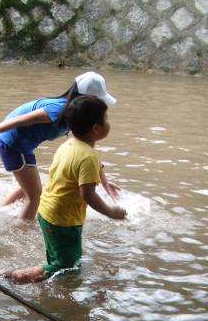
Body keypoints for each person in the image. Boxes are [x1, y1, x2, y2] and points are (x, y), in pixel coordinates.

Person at [0, 71, 121, 220]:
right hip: (14, 144)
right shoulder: (58, 110)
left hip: (22, 144)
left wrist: (104, 182)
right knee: (35, 196)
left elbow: (84, 150)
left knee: (31, 186)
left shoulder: (76, 115)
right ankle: (20, 232)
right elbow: (17, 121)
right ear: (85, 98)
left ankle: (0, 210)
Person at [8, 95, 127, 284]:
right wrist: (111, 212)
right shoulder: (89, 157)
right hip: (63, 220)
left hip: (47, 212)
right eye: (106, 118)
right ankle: (17, 277)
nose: (108, 122)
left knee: (58, 259)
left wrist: (105, 181)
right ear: (96, 129)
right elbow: (88, 194)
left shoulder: (68, 145)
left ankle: (41, 284)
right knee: (68, 267)